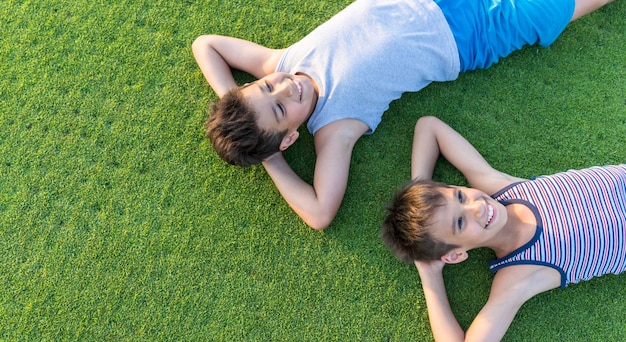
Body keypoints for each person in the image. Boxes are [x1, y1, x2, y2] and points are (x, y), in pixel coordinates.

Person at [192, 0, 613, 229]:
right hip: (473, 34)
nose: (287, 86)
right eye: (282, 107)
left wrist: (243, 103)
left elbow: (204, 44)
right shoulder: (334, 130)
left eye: (266, 87)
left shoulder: (280, 61)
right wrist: (272, 159)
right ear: (288, 138)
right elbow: (320, 214)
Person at [380, 116, 625, 342]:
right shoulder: (517, 275)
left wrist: (423, 190)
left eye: (460, 196)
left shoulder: (502, 189)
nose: (477, 206)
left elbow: (428, 127)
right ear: (454, 254)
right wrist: (429, 275)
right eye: (460, 223)